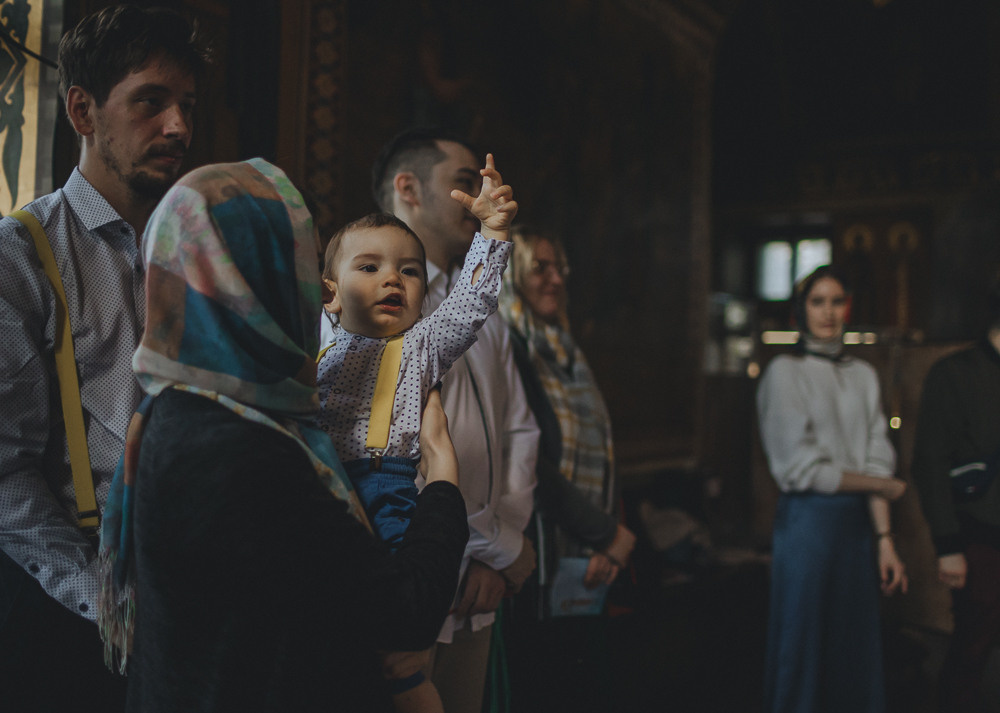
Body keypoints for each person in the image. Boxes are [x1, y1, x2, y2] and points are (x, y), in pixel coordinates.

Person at [97, 158, 470, 713]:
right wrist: (443, 478)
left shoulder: (174, 407)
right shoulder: (243, 448)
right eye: (299, 263)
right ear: (258, 281)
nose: (313, 290)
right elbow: (403, 611)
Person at [0, 6, 207, 712]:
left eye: (186, 105)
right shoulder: (21, 255)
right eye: (152, 101)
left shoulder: (200, 253)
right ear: (84, 111)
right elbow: (5, 472)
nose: (179, 126)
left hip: (193, 603)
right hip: (65, 618)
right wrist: (104, 601)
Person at [317, 153, 516, 711]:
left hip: (392, 490)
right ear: (329, 293)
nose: (392, 279)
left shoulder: (421, 348)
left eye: (409, 270)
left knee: (401, 642)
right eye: (370, 267)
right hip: (324, 489)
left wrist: (492, 231)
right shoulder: (313, 349)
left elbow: (471, 303)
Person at [370, 128, 539, 713]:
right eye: (464, 183)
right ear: (408, 188)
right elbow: (385, 451)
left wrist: (501, 550)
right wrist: (496, 542)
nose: (480, 194)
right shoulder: (372, 300)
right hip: (411, 571)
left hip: (482, 580)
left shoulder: (486, 311)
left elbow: (519, 429)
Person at [756, 265, 908, 713]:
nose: (828, 311)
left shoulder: (864, 374)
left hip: (858, 527)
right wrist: (881, 484)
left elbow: (876, 455)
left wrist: (884, 540)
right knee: (803, 643)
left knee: (853, 645)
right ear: (801, 310)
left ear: (848, 307)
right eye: (817, 301)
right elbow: (798, 470)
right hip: (809, 527)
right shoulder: (785, 372)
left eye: (836, 301)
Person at [498, 226, 636, 713]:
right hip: (538, 558)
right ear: (513, 275)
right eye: (540, 268)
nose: (555, 279)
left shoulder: (566, 350)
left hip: (586, 561)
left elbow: (603, 451)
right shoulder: (507, 346)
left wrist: (606, 543)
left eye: (560, 269)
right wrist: (602, 534)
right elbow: (528, 460)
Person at [912, 278, 1000, 713]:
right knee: (971, 649)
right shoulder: (956, 373)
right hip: (979, 536)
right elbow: (930, 464)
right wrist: (948, 546)